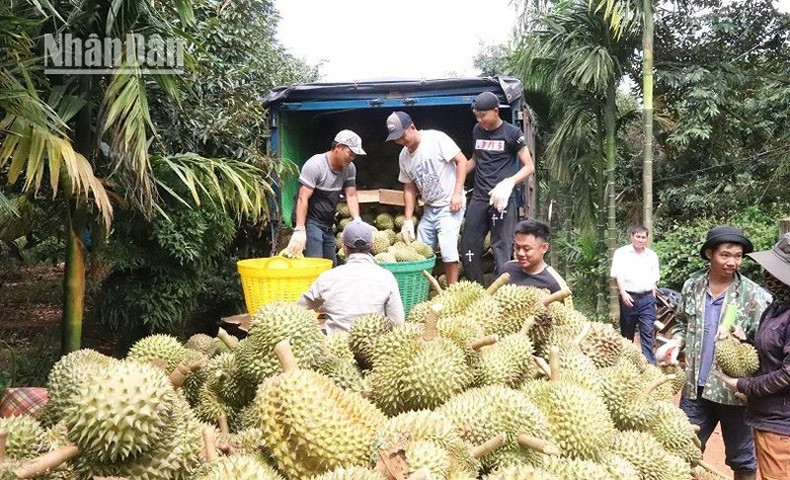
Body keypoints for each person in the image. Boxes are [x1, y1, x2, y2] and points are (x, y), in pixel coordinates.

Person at [657, 226, 772, 480]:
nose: (732, 262)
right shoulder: (692, 286)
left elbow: (766, 342)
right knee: (680, 450)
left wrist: (746, 337)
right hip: (695, 388)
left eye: (738, 256)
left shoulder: (754, 295)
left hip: (733, 393)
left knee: (743, 461)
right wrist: (676, 341)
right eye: (725, 255)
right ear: (710, 254)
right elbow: (681, 323)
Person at [717, 233, 790, 480]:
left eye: (775, 272)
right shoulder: (776, 307)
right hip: (765, 416)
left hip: (782, 423)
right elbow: (772, 354)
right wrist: (745, 340)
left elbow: (788, 373)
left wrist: (743, 385)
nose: (768, 277)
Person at [461, 91, 535, 285]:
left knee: (501, 247)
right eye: (477, 116)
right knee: (469, 245)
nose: (480, 120)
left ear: (495, 111)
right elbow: (474, 160)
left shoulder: (512, 134)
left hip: (502, 200)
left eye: (483, 115)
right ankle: (475, 288)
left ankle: (500, 290)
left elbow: (529, 167)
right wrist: (456, 182)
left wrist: (509, 183)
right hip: (479, 198)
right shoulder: (477, 130)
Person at [385, 111, 468, 284]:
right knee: (420, 250)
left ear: (412, 127)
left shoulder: (436, 139)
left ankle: (452, 291)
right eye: (396, 139)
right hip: (429, 208)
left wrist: (457, 194)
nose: (400, 141)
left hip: (449, 204)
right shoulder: (404, 157)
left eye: (402, 136)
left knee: (447, 248)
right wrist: (408, 220)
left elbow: (462, 161)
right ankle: (422, 288)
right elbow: (408, 188)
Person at [297, 220, 405, 334]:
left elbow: (300, 308)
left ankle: (324, 332)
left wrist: (321, 322)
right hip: (371, 346)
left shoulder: (327, 277)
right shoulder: (386, 277)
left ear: (344, 247)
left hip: (333, 344)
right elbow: (398, 322)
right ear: (371, 246)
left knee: (319, 311)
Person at [286, 130, 365, 263]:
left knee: (331, 264)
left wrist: (356, 219)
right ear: (338, 147)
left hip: (327, 222)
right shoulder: (315, 165)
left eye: (354, 155)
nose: (352, 158)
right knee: (316, 263)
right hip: (310, 220)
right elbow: (302, 198)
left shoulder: (350, 168)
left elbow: (351, 195)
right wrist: (300, 228)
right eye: (350, 154)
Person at [610, 225, 661, 364]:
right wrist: (623, 293)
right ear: (631, 236)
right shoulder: (621, 253)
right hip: (629, 298)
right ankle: (627, 363)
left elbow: (653, 280)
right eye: (638, 236)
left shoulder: (652, 255)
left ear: (646, 238)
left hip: (647, 299)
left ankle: (650, 365)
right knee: (627, 334)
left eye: (643, 237)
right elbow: (618, 275)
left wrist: (653, 300)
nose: (640, 240)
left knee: (648, 332)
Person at [500, 219, 570, 295]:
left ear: (544, 248)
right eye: (517, 247)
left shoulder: (554, 284)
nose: (520, 253)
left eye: (527, 249)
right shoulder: (508, 269)